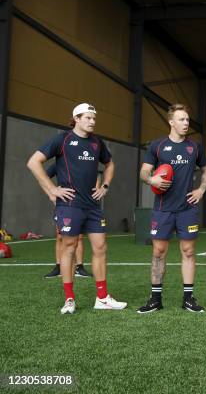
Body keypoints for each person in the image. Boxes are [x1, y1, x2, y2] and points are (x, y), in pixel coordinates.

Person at [27, 103, 127, 314]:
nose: (92, 121)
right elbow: (34, 162)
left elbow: (109, 164)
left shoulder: (97, 143)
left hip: (92, 206)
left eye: (94, 118)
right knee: (69, 249)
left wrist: (105, 186)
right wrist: (52, 190)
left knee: (100, 247)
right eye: (88, 117)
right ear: (77, 118)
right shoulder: (61, 140)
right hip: (70, 206)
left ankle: (102, 298)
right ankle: (69, 299)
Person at [136, 104, 206, 314]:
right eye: (181, 119)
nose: (186, 123)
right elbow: (143, 173)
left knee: (188, 251)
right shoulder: (157, 146)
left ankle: (188, 298)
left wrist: (201, 190)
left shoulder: (194, 147)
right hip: (162, 209)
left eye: (187, 120)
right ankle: (155, 299)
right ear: (171, 122)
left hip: (187, 208)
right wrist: (152, 179)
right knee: (159, 252)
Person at [44, 163, 91, 279]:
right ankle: (59, 267)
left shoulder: (83, 162)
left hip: (80, 204)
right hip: (63, 205)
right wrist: (51, 192)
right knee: (60, 236)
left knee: (79, 237)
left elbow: (96, 176)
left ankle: (79, 267)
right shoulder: (60, 164)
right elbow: (43, 177)